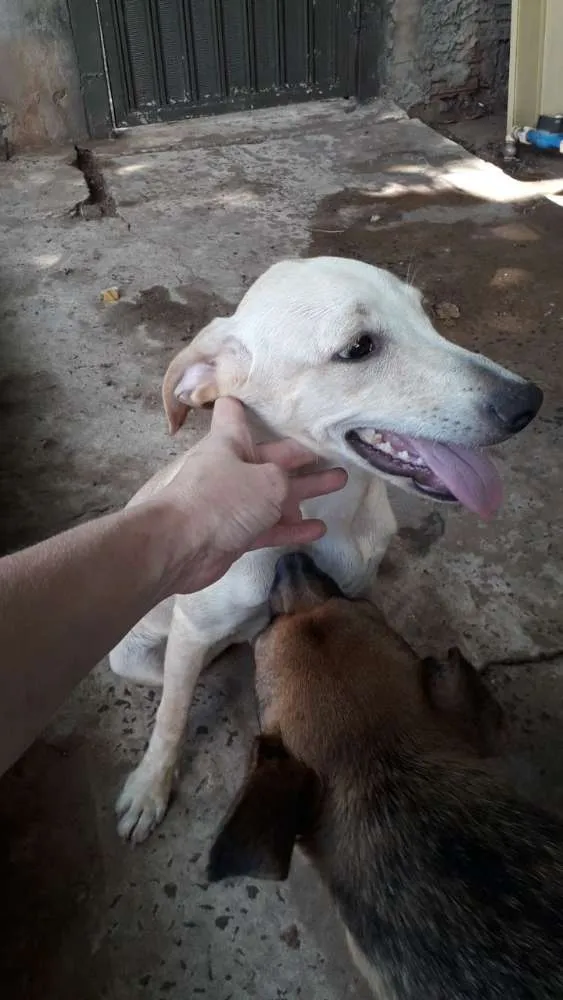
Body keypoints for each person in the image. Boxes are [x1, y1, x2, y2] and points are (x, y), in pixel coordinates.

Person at [0, 397, 347, 776]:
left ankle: (236, 638)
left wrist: (183, 528)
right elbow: (187, 631)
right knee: (126, 661)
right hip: (167, 617)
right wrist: (161, 756)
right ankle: (165, 748)